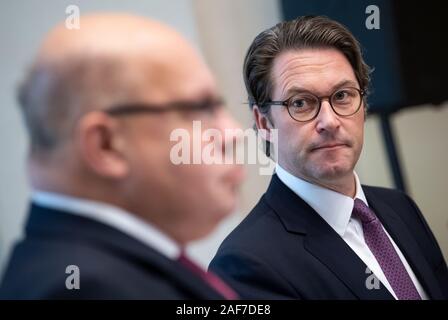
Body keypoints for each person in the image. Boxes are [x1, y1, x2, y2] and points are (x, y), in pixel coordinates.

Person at [0, 13, 244, 299]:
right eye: (200, 109)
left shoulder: (112, 267)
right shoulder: (87, 291)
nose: (233, 133)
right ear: (106, 145)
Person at [209, 16, 448, 300]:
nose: (329, 121)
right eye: (300, 102)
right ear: (264, 124)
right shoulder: (245, 265)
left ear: (363, 106)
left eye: (343, 95)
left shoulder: (400, 207)